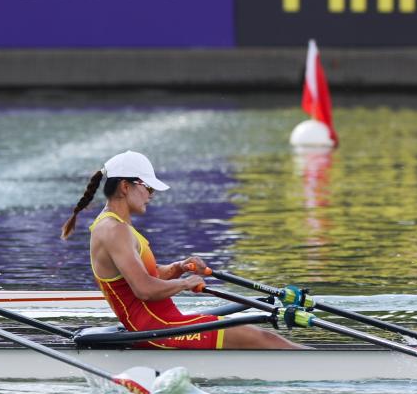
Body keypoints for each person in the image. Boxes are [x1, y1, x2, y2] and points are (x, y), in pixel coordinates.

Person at [61, 150, 302, 350]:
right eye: (148, 188)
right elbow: (144, 289)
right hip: (157, 329)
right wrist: (185, 284)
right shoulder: (114, 230)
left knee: (259, 336)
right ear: (125, 187)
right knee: (263, 339)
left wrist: (178, 268)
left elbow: (146, 275)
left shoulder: (115, 226)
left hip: (164, 324)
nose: (151, 195)